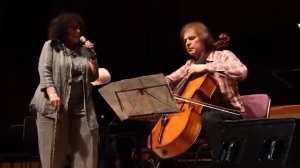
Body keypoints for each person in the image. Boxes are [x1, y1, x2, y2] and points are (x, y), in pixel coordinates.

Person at [164, 22, 248, 163]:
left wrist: (208, 67)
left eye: (192, 38)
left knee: (209, 118)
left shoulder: (222, 55)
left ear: (203, 38)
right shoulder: (190, 66)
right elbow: (168, 79)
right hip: (199, 117)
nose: (187, 43)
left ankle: (222, 163)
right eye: (185, 41)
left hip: (231, 113)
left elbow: (242, 72)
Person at [29, 12, 100, 168]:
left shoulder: (83, 51)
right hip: (53, 108)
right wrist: (52, 93)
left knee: (88, 156)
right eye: (73, 28)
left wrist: (93, 58)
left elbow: (93, 77)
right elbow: (45, 71)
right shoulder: (51, 46)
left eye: (79, 28)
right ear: (63, 30)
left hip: (81, 108)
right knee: (54, 156)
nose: (78, 31)